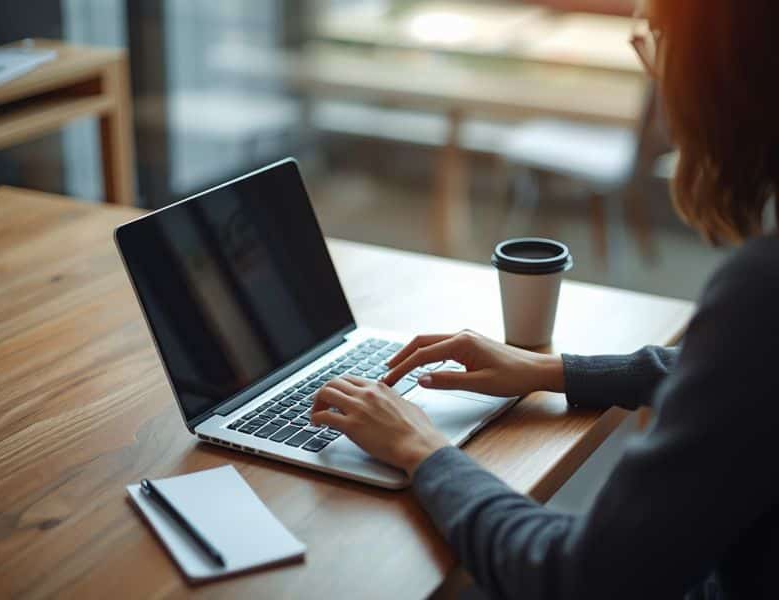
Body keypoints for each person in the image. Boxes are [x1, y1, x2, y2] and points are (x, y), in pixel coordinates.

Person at [311, 1, 779, 598]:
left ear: (727, 72)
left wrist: (420, 449)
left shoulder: (762, 293)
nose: (655, 75)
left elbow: (582, 578)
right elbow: (745, 380)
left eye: (656, 43)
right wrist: (549, 369)